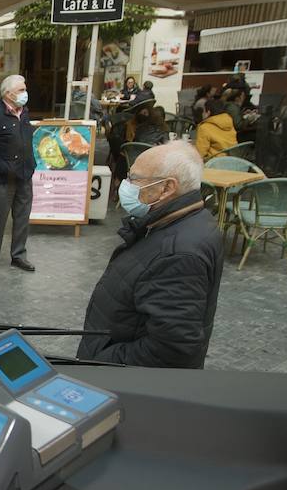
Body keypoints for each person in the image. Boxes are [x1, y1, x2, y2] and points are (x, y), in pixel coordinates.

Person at [77, 141, 222, 368]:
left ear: (166, 188)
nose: (125, 185)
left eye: (134, 179)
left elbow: (171, 349)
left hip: (119, 377)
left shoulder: (179, 253)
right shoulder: (182, 221)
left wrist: (101, 361)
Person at [0, 74, 36, 274]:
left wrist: (31, 164)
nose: (25, 93)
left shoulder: (24, 112)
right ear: (8, 93)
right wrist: (4, 167)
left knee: (22, 218)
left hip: (25, 177)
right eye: (21, 90)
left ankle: (19, 256)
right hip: (2, 180)